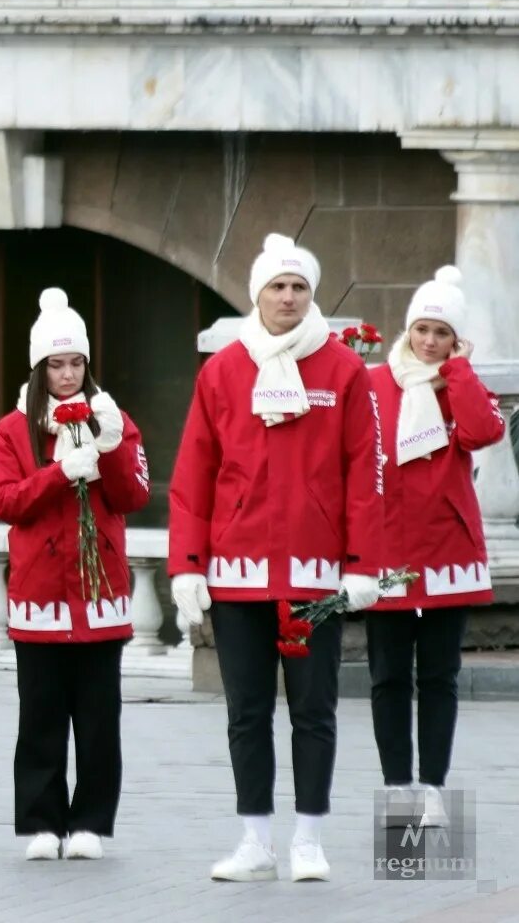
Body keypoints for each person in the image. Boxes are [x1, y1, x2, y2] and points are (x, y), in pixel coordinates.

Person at [168, 233, 383, 883]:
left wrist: (361, 563)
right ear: (256, 294)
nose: (287, 297)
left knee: (313, 710)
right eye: (276, 287)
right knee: (246, 712)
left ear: (309, 295)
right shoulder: (222, 371)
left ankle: (308, 841)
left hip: (314, 577)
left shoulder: (343, 371)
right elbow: (194, 474)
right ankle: (255, 841)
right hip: (235, 574)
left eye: (298, 288)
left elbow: (362, 472)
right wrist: (185, 563)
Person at [0, 289, 151, 862]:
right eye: (56, 365)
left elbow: (134, 495)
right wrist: (59, 474)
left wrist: (107, 450)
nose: (67, 374)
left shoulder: (115, 420)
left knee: (100, 719)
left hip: (101, 594)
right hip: (38, 594)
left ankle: (90, 823)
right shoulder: (13, 429)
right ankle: (41, 822)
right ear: (39, 369)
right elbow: (4, 500)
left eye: (76, 363)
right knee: (41, 716)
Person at [366, 266, 505, 828]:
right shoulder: (374, 383)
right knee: (389, 677)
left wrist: (461, 372)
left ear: (455, 340)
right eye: (422, 329)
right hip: (388, 551)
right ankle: (399, 792)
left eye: (441, 333)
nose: (428, 341)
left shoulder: (462, 384)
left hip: (449, 552)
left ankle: (434, 791)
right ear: (408, 330)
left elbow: (482, 432)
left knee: (440, 678)